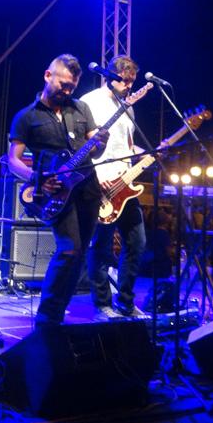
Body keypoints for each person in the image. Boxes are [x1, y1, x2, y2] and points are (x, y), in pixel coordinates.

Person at [7, 54, 108, 328]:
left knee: (80, 253)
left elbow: (95, 150)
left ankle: (58, 314)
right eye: (63, 84)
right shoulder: (27, 116)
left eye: (72, 87)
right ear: (47, 75)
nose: (67, 91)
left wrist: (101, 142)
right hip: (56, 191)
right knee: (68, 249)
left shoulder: (81, 108)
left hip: (88, 187)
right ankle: (47, 318)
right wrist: (37, 179)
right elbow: (13, 160)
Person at [80, 55, 148, 320]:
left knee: (137, 243)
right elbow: (84, 146)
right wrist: (95, 178)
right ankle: (102, 304)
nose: (129, 86)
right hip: (101, 183)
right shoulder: (90, 101)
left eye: (132, 82)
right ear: (110, 76)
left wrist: (149, 153)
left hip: (126, 183)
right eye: (125, 81)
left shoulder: (127, 107)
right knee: (101, 246)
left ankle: (126, 302)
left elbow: (126, 146)